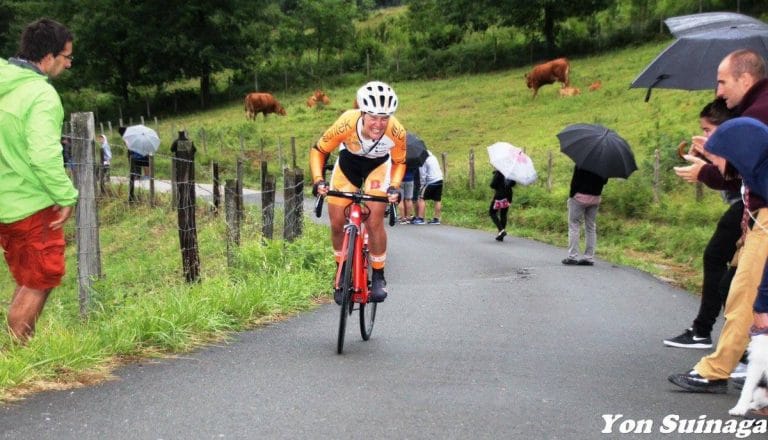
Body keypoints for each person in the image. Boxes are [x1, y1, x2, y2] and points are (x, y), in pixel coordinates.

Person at [669, 49, 768, 393]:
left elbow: (749, 173)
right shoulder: (755, 111)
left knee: (745, 294)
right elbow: (744, 174)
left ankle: (717, 369)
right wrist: (713, 164)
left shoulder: (759, 113)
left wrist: (712, 163)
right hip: (757, 215)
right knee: (743, 290)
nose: (719, 92)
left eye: (722, 82)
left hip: (766, 217)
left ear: (745, 78)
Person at [0, 18, 77, 342]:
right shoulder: (40, 95)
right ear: (48, 57)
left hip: (5, 200)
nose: (69, 63)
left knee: (27, 274)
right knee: (41, 277)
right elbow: (44, 155)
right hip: (30, 202)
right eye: (67, 56)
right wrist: (66, 195)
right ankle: (15, 359)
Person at [309, 81, 406, 304]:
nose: (379, 124)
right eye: (373, 117)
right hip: (348, 164)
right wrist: (318, 180)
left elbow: (400, 162)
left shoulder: (396, 131)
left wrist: (395, 186)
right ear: (362, 112)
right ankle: (342, 270)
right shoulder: (346, 122)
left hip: (378, 167)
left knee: (373, 220)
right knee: (336, 222)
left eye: (384, 118)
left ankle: (379, 275)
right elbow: (319, 151)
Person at [665, 98, 739, 350]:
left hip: (749, 207)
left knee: (722, 265)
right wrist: (708, 162)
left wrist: (705, 170)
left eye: (708, 130)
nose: (704, 134)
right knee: (729, 271)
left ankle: (711, 333)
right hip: (745, 206)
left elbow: (735, 179)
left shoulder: (745, 138)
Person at [562, 166, 607, 266]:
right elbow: (604, 181)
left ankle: (572, 257)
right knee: (591, 227)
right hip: (595, 197)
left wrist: (571, 196)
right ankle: (589, 257)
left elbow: (575, 181)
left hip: (579, 197)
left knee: (574, 225)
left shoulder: (581, 163)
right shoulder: (604, 164)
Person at [413, 150, 443, 225]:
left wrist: (422, 186)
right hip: (439, 179)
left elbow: (423, 175)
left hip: (431, 181)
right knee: (437, 200)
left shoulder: (423, 160)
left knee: (422, 198)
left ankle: (420, 218)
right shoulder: (433, 157)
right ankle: (437, 219)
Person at [489, 170, 516, 241]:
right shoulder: (511, 172)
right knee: (503, 214)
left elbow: (492, 185)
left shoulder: (499, 171)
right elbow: (513, 183)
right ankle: (501, 235)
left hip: (499, 196)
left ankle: (501, 230)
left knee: (492, 212)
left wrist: (495, 176)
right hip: (508, 196)